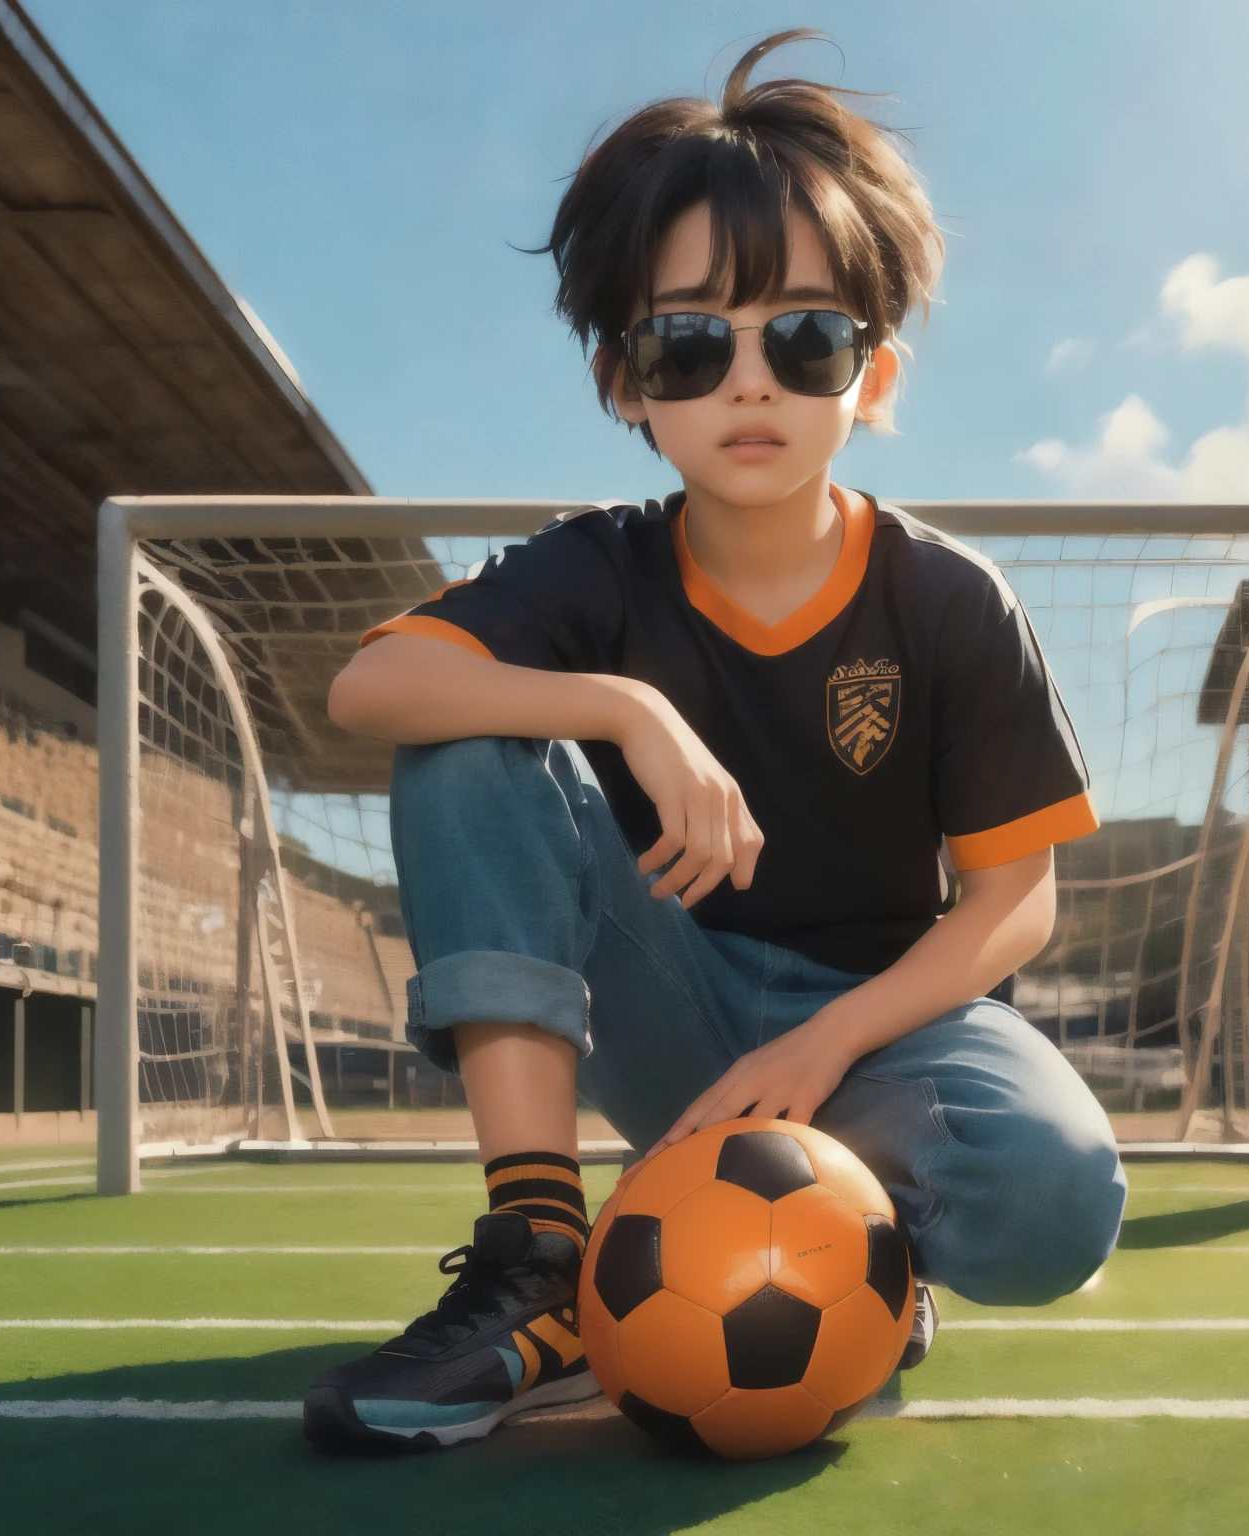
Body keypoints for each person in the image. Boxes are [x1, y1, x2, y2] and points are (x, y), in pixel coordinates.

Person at [303, 29, 1127, 1454]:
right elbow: (370, 691)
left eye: (804, 336)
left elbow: (1016, 900)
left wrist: (832, 1040)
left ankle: (866, 1249)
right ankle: (543, 1264)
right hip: (660, 999)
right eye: (693, 340)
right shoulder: (596, 570)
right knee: (468, 725)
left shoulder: (945, 599)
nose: (750, 380)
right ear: (629, 381)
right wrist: (621, 706)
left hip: (876, 1028)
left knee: (1054, 1195)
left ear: (871, 376)